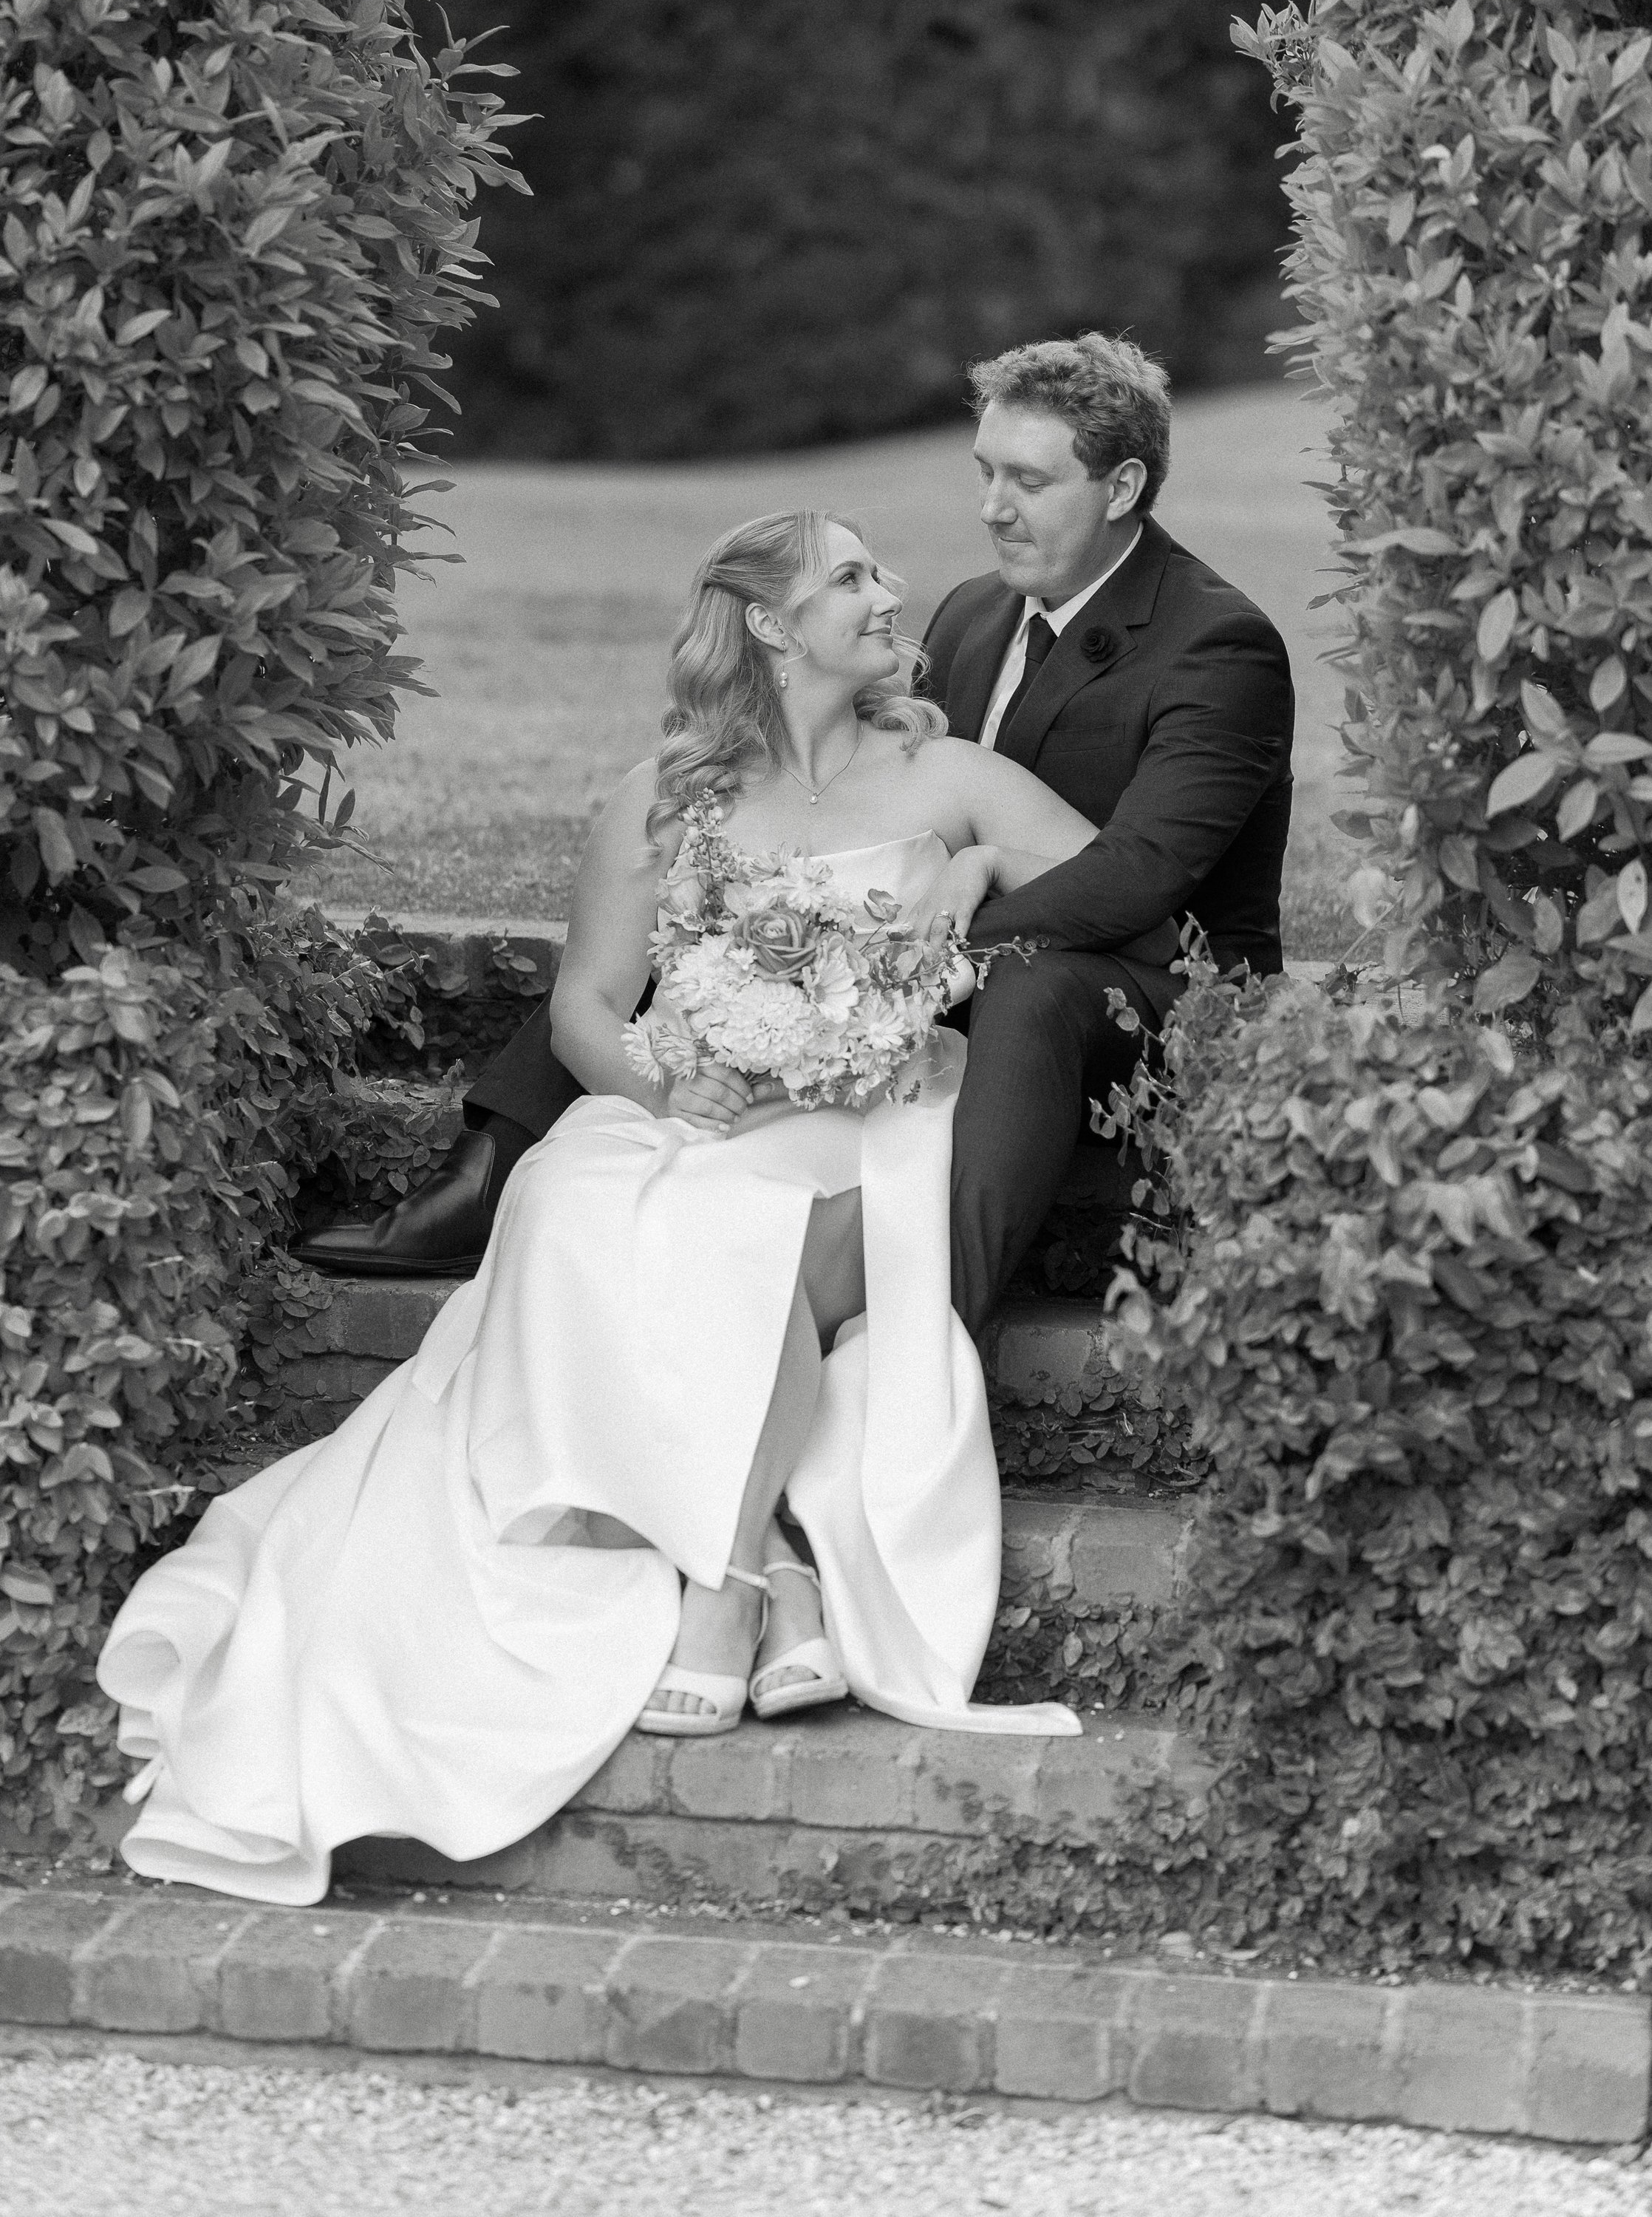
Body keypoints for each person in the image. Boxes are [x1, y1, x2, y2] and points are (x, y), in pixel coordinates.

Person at [99, 502, 1164, 1903]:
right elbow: (589, 1011)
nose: (889, 588)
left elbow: (1119, 883)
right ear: (775, 625)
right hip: (705, 1114)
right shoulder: (665, 796)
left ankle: (717, 1587)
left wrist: (968, 872)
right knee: (581, 1194)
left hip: (877, 1131)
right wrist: (670, 1088)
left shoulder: (949, 771)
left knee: (739, 1235)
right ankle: (759, 1570)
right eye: (852, 575)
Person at [302, 335, 1296, 1335]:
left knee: (953, 957)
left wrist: (941, 914)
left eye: (1028, 481)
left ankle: (932, 1320)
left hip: (1131, 978)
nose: (992, 506)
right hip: (942, 971)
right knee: (740, 896)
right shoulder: (976, 613)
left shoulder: (1217, 644)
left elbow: (1144, 873)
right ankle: (486, 1170)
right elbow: (888, 795)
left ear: (1122, 485)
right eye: (985, 471)